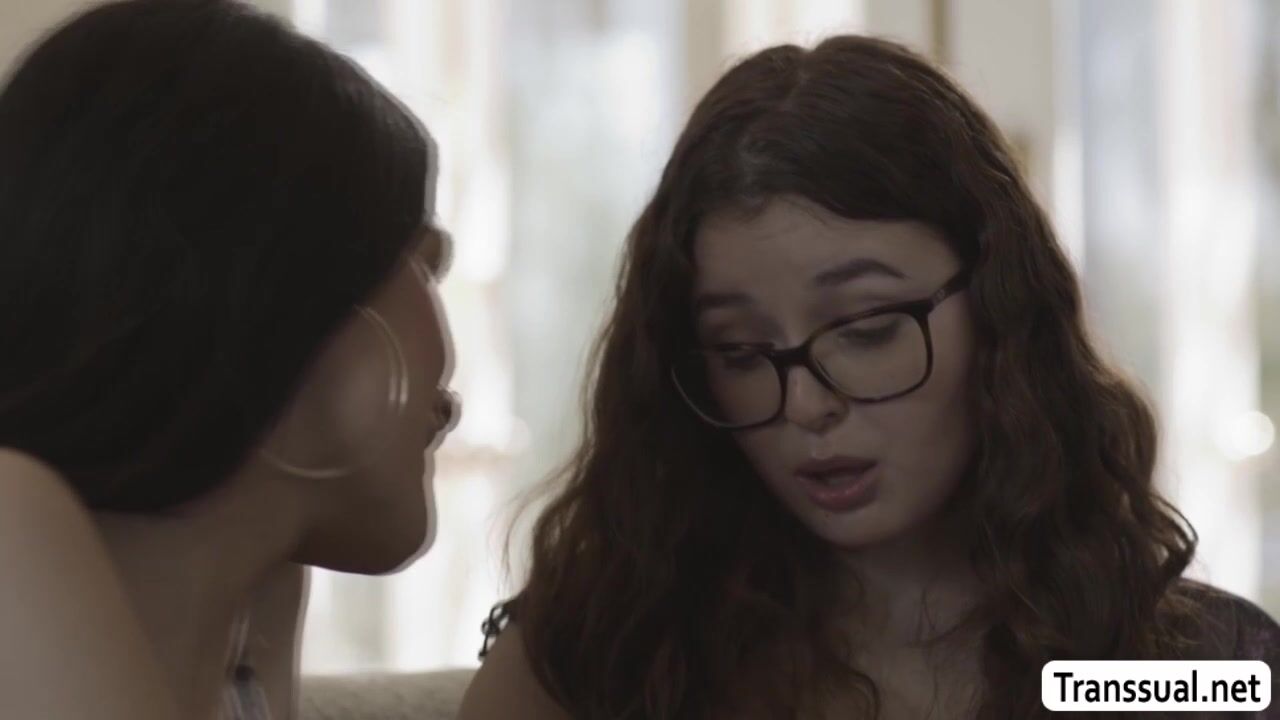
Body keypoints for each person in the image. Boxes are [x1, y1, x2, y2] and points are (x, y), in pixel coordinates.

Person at [458, 35, 1280, 720]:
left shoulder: (1188, 666)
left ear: (998, 311)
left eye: (867, 328)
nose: (806, 405)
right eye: (740, 352)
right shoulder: (600, 658)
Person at [0, 1, 459, 718]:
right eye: (423, 265)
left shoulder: (254, 623)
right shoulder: (9, 516)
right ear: (274, 298)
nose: (450, 400)